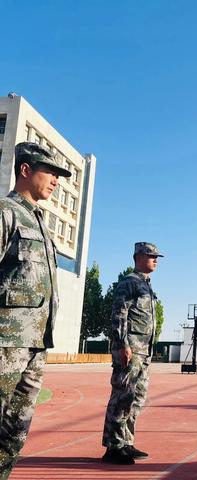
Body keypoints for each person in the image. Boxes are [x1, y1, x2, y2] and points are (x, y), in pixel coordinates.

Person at [0, 142, 71, 479]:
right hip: (4, 343)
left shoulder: (40, 222)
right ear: (26, 170)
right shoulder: (6, 211)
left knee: (15, 432)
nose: (56, 181)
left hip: (35, 344)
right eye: (50, 172)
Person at [101, 242, 163, 465]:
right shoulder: (129, 282)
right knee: (122, 396)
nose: (155, 260)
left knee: (136, 398)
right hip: (130, 348)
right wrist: (121, 344)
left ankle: (126, 442)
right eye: (151, 256)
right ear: (137, 257)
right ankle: (113, 447)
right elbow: (119, 314)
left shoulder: (146, 284)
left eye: (157, 257)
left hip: (143, 351)